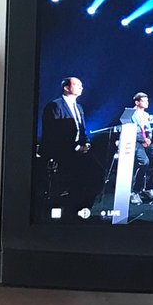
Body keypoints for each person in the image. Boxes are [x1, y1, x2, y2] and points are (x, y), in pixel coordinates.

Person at [39, 76, 100, 214]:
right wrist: (77, 148)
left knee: (98, 173)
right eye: (77, 85)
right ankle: (70, 210)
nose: (81, 87)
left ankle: (83, 209)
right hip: (62, 151)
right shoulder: (55, 106)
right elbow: (54, 133)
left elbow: (82, 130)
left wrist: (87, 144)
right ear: (66, 87)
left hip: (79, 150)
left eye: (81, 85)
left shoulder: (78, 107)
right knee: (76, 178)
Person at [129, 92, 153, 203]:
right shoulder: (130, 113)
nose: (146, 103)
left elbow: (148, 129)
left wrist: (148, 139)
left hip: (147, 142)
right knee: (144, 162)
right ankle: (135, 192)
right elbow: (130, 129)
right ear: (137, 102)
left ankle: (148, 188)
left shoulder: (146, 115)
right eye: (144, 101)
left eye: (147, 101)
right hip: (135, 142)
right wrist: (143, 140)